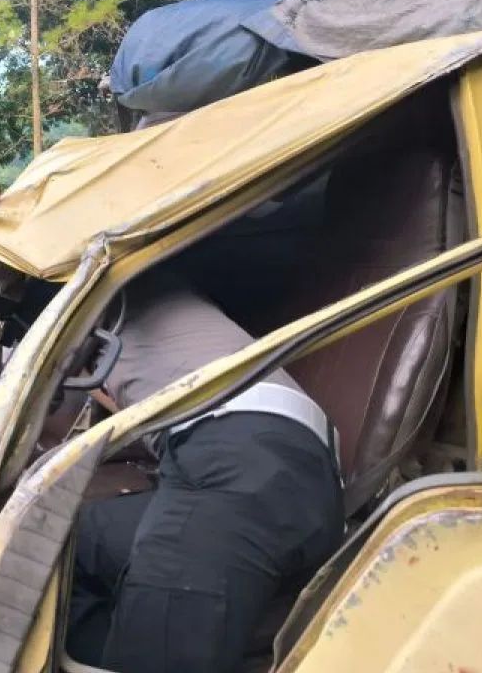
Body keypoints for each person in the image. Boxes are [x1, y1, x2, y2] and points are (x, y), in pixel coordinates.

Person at [66, 269, 345, 673]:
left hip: (243, 458)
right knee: (70, 542)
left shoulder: (117, 294)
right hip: (276, 464)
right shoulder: (147, 313)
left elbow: (39, 381)